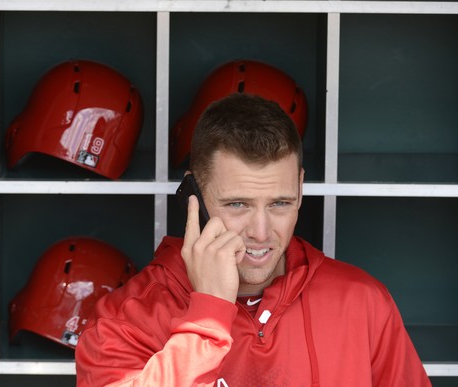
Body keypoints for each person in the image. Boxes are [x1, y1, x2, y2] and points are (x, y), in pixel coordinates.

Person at [75, 93, 431, 386]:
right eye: (238, 204)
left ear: (301, 189)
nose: (261, 232)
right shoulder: (122, 323)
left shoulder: (362, 301)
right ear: (193, 197)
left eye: (280, 203)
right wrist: (208, 316)